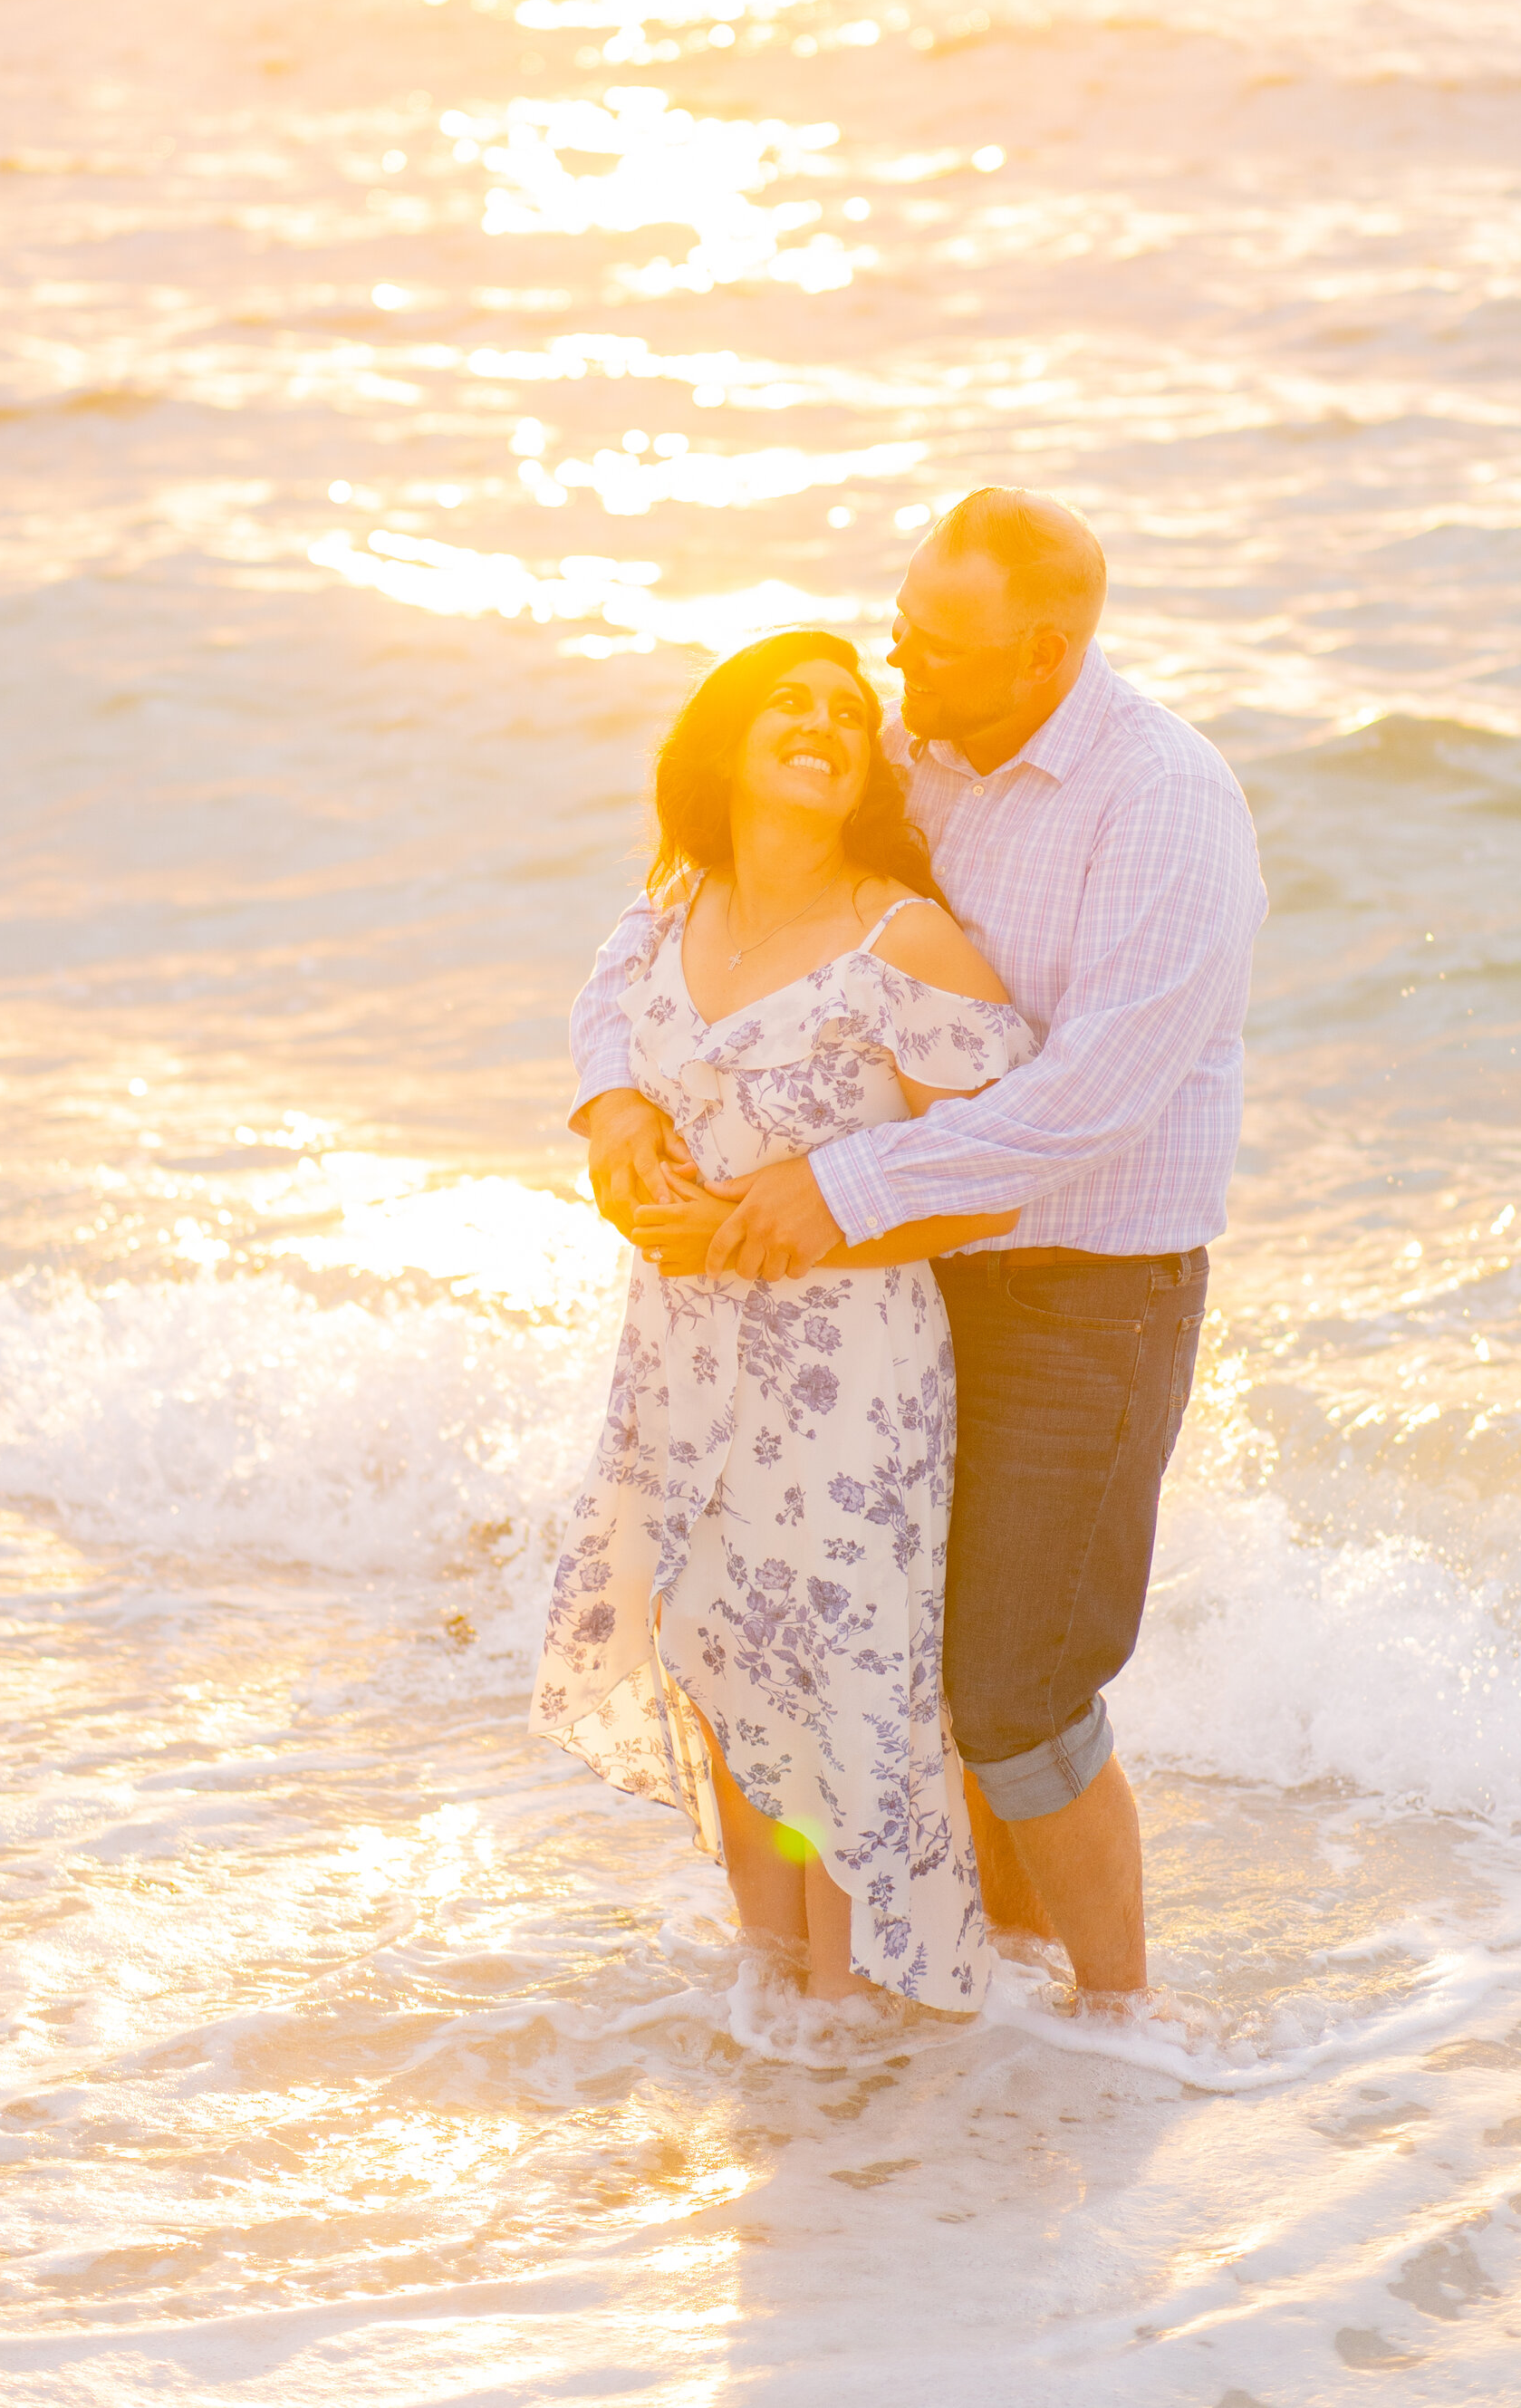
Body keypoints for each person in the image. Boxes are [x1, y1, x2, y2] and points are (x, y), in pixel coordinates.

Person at [583, 490, 1266, 2004]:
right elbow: (675, 912)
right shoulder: (920, 755)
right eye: (896, 629)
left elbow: (1089, 1096)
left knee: (1017, 1691)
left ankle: (1120, 2017)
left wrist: (842, 1182)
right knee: (893, 1664)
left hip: (1088, 1289)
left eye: (930, 647)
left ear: (1043, 653)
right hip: (907, 1288)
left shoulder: (1163, 800)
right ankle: (998, 1975)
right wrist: (612, 1101)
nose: (896, 670)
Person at [531, 630, 1038, 2010]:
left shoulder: (904, 938)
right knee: (713, 1646)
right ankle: (780, 2008)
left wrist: (806, 1212)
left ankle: (869, 2008)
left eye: (846, 708)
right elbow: (605, 1017)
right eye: (788, 702)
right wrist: (615, 1113)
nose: (823, 719)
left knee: (844, 1682)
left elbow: (1001, 1177)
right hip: (677, 1356)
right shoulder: (675, 906)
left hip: (847, 1370)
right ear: (726, 743)